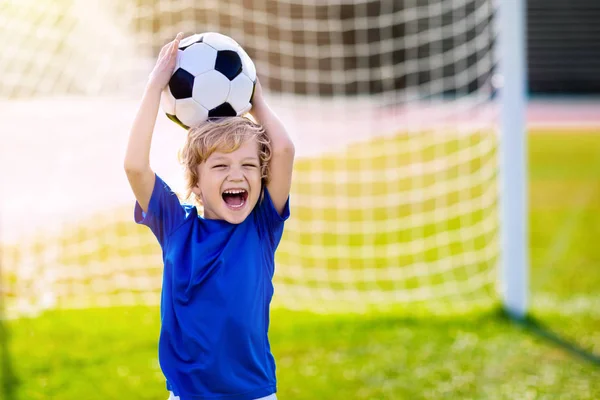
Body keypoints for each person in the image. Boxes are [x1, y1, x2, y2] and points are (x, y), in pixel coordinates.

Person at [124, 32, 295, 400]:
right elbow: (135, 166)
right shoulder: (175, 226)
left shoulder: (262, 227)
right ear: (196, 184)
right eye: (220, 166)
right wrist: (154, 87)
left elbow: (282, 150)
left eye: (248, 164)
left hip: (254, 395)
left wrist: (256, 101)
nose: (237, 175)